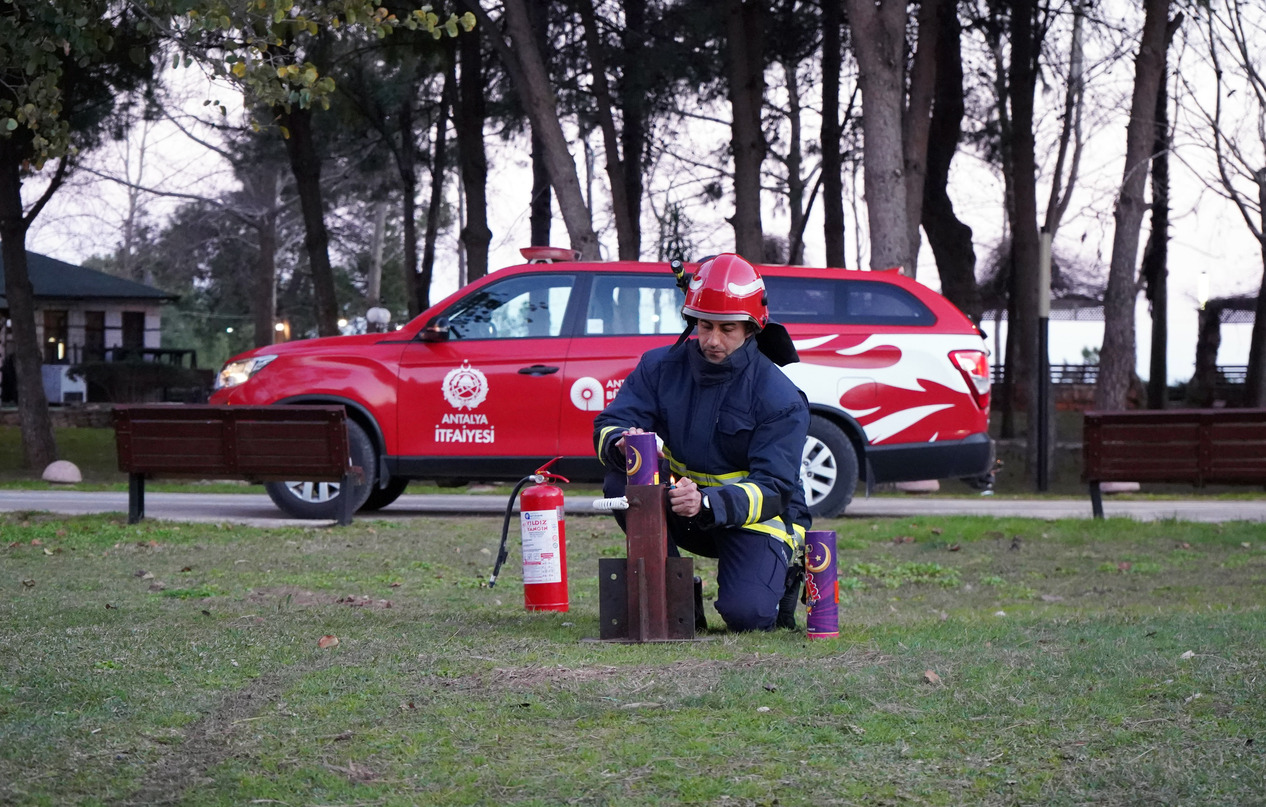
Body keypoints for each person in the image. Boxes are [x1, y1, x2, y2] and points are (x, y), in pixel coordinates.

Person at [593, 253, 811, 631]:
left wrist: (707, 502)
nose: (712, 340)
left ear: (751, 328)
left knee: (749, 617)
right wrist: (619, 443)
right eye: (704, 325)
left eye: (727, 329)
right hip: (682, 508)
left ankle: (784, 572)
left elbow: (775, 488)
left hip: (755, 519)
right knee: (623, 481)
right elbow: (611, 421)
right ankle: (673, 591)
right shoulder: (659, 367)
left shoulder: (781, 398)